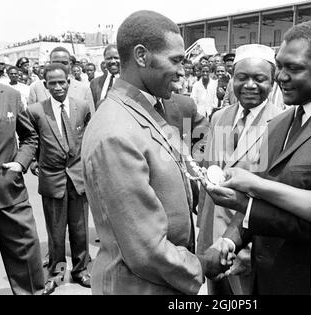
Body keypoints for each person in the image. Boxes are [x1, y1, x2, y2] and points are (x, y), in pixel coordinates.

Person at [204, 21, 311, 294]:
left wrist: (245, 202)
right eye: (280, 66)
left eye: (294, 68)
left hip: (307, 281)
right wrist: (229, 242)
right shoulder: (279, 123)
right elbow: (260, 200)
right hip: (264, 279)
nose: (280, 77)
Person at [81, 10, 232, 295]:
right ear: (141, 56)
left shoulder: (144, 109)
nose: (183, 71)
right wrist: (202, 265)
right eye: (175, 60)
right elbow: (146, 249)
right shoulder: (117, 132)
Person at [197, 44, 283, 295]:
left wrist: (249, 249)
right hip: (212, 239)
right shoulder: (219, 118)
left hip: (246, 244)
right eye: (242, 78)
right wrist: (204, 232)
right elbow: (208, 173)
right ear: (232, 78)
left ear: (272, 82)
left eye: (259, 79)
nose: (250, 85)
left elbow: (272, 198)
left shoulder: (281, 123)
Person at [27, 63, 92, 295]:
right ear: (45, 85)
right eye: (52, 83)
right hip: (52, 178)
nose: (58, 87)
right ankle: (56, 272)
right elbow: (30, 140)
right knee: (55, 230)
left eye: (61, 82)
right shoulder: (36, 111)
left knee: (80, 228)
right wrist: (34, 162)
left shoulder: (82, 106)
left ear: (68, 82)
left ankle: (81, 269)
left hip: (77, 177)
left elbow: (89, 137)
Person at [0, 53, 44, 295]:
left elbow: (30, 137)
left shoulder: (9, 95)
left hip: (7, 183)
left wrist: (21, 163)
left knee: (24, 248)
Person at [28, 47, 95, 113]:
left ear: (70, 64)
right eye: (55, 62)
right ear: (49, 63)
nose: (59, 65)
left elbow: (92, 119)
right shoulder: (36, 88)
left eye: (64, 63)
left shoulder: (84, 89)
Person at [90, 44, 120, 110]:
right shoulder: (95, 83)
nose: (113, 61)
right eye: (109, 58)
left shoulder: (131, 82)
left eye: (116, 58)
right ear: (104, 60)